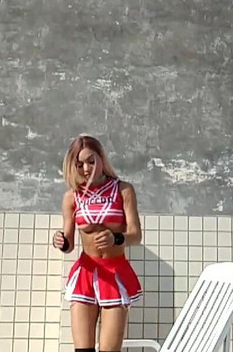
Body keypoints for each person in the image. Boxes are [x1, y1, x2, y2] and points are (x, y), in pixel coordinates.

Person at [52, 134, 144, 352]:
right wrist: (60, 240)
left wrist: (116, 238)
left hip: (114, 272)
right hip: (85, 273)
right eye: (80, 164)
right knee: (82, 349)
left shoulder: (123, 190)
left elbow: (136, 235)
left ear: (102, 158)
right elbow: (69, 244)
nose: (86, 168)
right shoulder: (72, 196)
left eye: (91, 161)